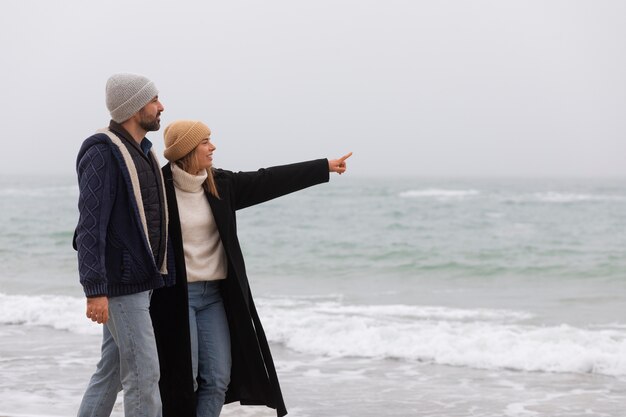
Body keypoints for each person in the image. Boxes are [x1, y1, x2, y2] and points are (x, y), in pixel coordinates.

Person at [150, 120, 351, 417]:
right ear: (188, 150)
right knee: (183, 380)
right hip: (176, 298)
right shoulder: (157, 189)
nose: (212, 146)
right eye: (205, 142)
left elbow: (268, 180)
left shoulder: (222, 184)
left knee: (218, 379)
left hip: (215, 296)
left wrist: (323, 167)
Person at [73, 73, 170, 417]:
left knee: (110, 373)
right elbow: (89, 227)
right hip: (121, 285)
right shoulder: (103, 153)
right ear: (132, 108)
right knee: (145, 374)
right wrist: (94, 289)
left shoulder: (143, 152)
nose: (161, 106)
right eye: (154, 100)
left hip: (140, 283)